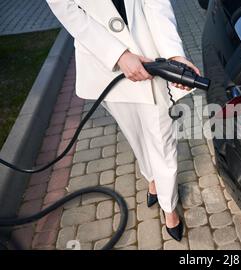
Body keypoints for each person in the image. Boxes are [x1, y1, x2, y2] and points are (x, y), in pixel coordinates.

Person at [46, 0, 201, 241]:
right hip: (104, 64)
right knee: (135, 133)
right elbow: (68, 11)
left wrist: (174, 54)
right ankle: (152, 178)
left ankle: (169, 207)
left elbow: (156, 3)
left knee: (162, 138)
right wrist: (117, 54)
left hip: (150, 55)